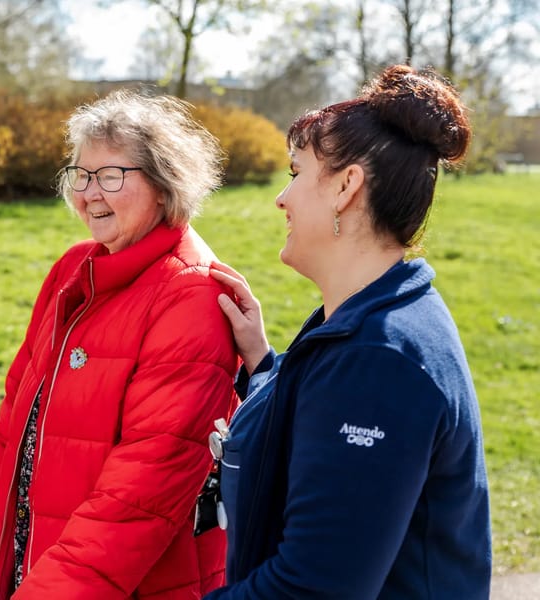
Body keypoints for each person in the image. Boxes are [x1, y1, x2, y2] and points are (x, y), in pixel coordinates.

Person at [0, 88, 239, 599]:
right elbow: (20, 415)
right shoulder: (74, 270)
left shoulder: (190, 296)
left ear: (163, 183)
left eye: (111, 175)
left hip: (125, 582)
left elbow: (141, 496)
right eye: (81, 175)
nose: (89, 193)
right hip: (44, 559)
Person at [205, 65, 491, 599]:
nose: (281, 198)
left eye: (296, 172)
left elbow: (313, 588)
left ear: (346, 187)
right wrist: (264, 365)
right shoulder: (375, 319)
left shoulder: (380, 360)